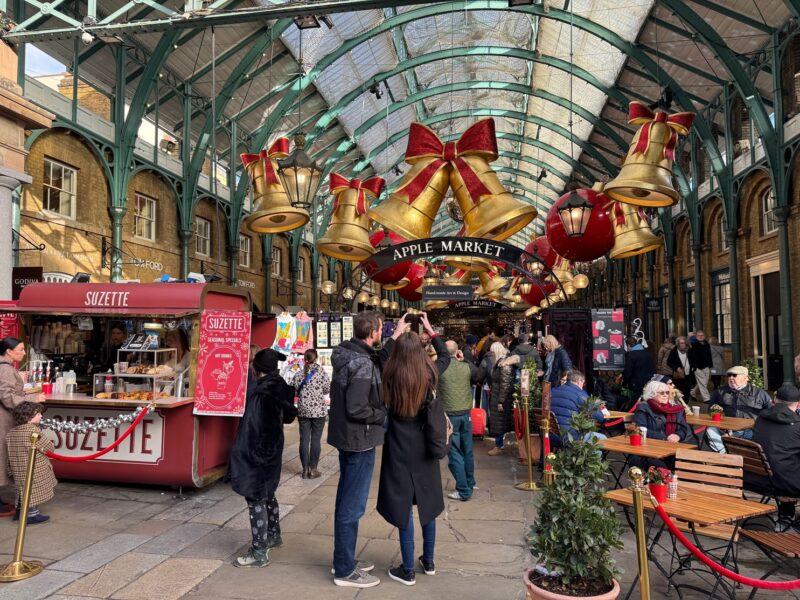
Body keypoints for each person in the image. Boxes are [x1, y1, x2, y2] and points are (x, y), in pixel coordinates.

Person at [329, 311, 401, 588]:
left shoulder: (349, 354)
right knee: (352, 506)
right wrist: (382, 415)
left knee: (346, 502)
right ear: (372, 331)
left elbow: (378, 358)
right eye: (382, 328)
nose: (383, 332)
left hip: (348, 438)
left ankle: (343, 559)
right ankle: (345, 571)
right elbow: (357, 407)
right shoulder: (362, 364)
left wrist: (394, 337)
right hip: (359, 440)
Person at [378, 314, 449, 586]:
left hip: (398, 446)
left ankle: (407, 569)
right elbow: (444, 356)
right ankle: (428, 561)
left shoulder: (390, 373)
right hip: (424, 446)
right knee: (428, 505)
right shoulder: (429, 372)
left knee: (402, 506)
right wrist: (430, 330)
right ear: (420, 351)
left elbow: (382, 355)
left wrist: (396, 331)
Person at [229, 349, 296, 568]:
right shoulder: (279, 388)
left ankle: (259, 550)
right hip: (271, 454)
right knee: (268, 494)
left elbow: (264, 427)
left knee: (256, 497)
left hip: (259, 455)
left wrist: (257, 455)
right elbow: (287, 416)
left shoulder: (263, 393)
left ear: (257, 369)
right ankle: (274, 535)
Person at [0, 337, 44, 516]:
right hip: (3, 421)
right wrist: (33, 399)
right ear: (9, 351)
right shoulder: (5, 369)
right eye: (20, 349)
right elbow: (7, 396)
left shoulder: (7, 368)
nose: (24, 353)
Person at [753, 384, 800, 532]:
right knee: (787, 466)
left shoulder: (760, 420)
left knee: (784, 463)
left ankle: (786, 515)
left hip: (756, 479)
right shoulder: (797, 426)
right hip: (784, 484)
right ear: (798, 404)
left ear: (774, 400)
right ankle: (793, 523)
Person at [439, 340, 477, 502]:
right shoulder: (467, 366)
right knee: (467, 450)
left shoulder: (440, 368)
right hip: (466, 414)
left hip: (449, 415)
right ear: (458, 351)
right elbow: (480, 374)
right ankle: (470, 482)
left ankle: (463, 490)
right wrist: (466, 360)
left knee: (454, 453)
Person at [6, 401, 55, 525]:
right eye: (38, 414)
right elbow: (49, 447)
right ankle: (31, 515)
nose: (41, 416)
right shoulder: (33, 432)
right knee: (33, 492)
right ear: (29, 417)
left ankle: (20, 513)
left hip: (18, 467)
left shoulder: (11, 433)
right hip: (35, 467)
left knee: (22, 490)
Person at [705, 365, 772, 452]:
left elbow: (771, 412)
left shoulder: (759, 394)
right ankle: (726, 454)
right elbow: (710, 410)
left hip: (749, 430)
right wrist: (720, 422)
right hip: (726, 429)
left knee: (756, 434)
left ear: (746, 378)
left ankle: (730, 453)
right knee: (710, 430)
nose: (731, 378)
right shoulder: (720, 392)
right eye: (729, 375)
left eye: (734, 375)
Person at [632, 380, 693, 469]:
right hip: (649, 451)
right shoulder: (644, 407)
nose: (665, 395)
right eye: (661, 393)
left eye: (667, 392)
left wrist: (678, 435)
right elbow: (640, 429)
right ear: (652, 394)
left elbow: (685, 428)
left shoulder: (675, 409)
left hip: (673, 449)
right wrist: (664, 437)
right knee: (661, 468)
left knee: (692, 465)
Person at [292, 349, 330, 479]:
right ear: (317, 358)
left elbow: (294, 390)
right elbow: (326, 390)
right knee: (315, 440)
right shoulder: (322, 374)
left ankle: (304, 470)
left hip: (303, 411)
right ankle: (313, 469)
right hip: (319, 411)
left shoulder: (298, 374)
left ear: (304, 359)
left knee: (304, 439)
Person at [550, 370, 606, 445]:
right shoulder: (580, 394)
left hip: (552, 435)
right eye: (583, 382)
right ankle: (593, 457)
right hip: (570, 436)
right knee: (603, 439)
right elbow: (599, 417)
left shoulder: (553, 391)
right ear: (578, 381)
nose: (583, 386)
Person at [487, 342, 519, 456]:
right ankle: (498, 445)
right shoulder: (502, 362)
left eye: (492, 352)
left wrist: (501, 401)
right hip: (498, 396)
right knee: (499, 422)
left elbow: (505, 385)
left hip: (500, 398)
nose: (491, 354)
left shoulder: (504, 364)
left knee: (499, 422)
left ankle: (499, 446)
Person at [623, 336, 656, 401]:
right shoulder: (647, 353)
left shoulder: (631, 355)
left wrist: (624, 382)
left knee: (637, 401)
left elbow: (628, 371)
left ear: (628, 345)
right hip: (649, 381)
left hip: (636, 383)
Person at [689, 330, 712, 403]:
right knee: (702, 383)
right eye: (699, 335)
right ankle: (707, 398)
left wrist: (710, 365)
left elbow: (709, 355)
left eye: (702, 335)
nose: (700, 337)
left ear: (704, 336)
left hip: (706, 366)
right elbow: (690, 357)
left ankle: (692, 392)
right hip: (697, 367)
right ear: (696, 337)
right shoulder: (693, 345)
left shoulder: (706, 344)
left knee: (704, 382)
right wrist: (693, 366)